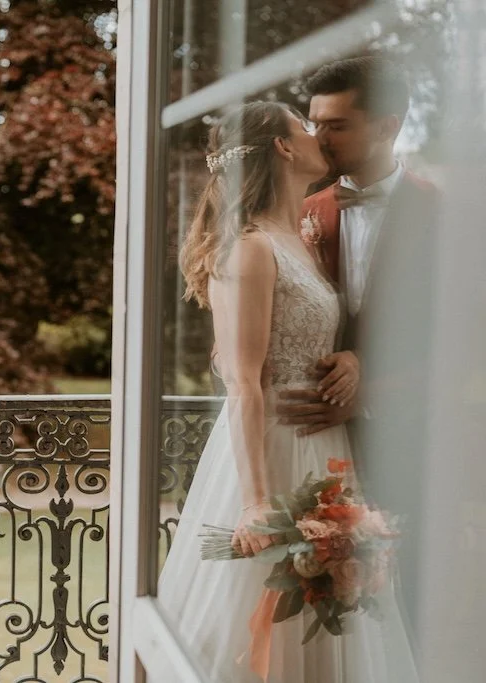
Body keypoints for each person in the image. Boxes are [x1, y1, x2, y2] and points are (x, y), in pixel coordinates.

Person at [158, 101, 418, 682]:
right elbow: (242, 382)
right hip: (273, 450)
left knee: (329, 613)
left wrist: (353, 359)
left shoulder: (301, 235)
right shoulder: (249, 246)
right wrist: (256, 501)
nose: (316, 133)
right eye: (304, 125)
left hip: (326, 446)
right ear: (281, 147)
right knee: (262, 606)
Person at [279, 56, 439, 629]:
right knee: (319, 617)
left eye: (337, 125)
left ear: (387, 126)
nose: (318, 138)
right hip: (313, 447)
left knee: (409, 608)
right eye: (314, 123)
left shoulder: (448, 217)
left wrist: (368, 383)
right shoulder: (302, 213)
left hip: (410, 448)